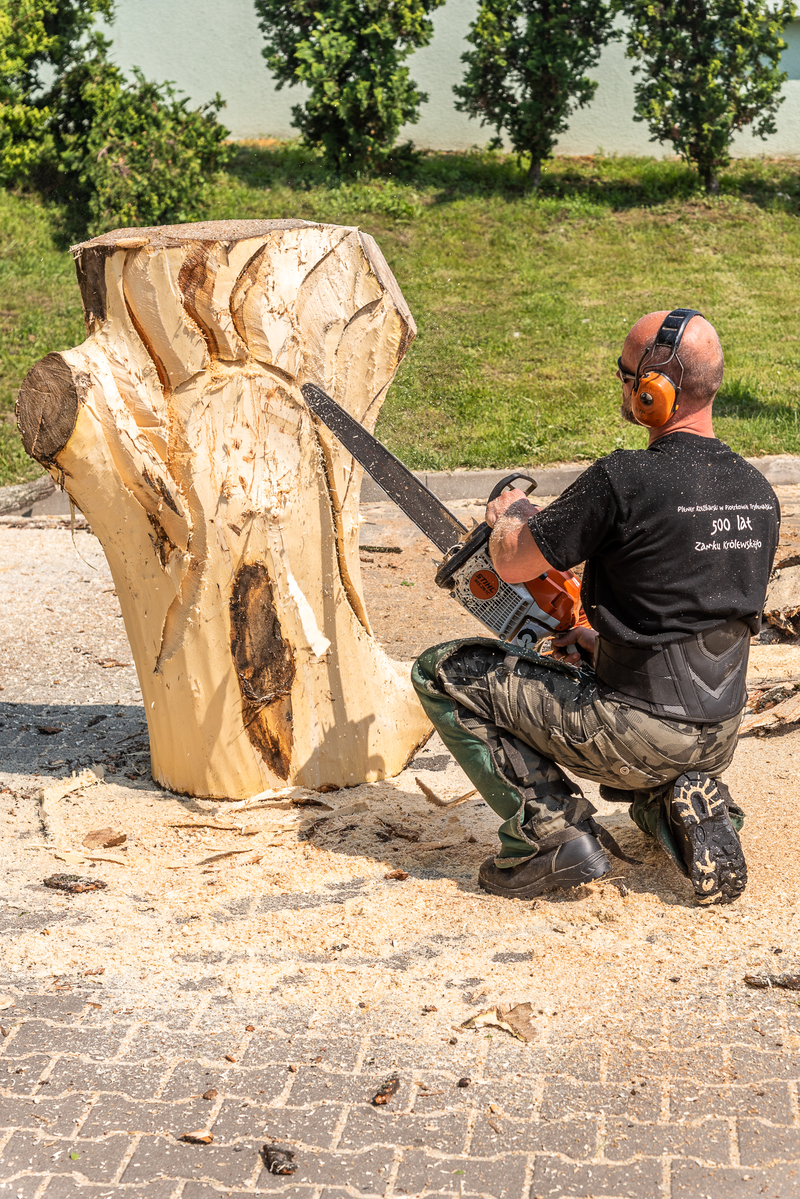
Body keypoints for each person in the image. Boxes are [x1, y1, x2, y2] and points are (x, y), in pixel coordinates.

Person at [412, 309, 780, 906]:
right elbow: (690, 613)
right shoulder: (758, 493)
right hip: (717, 734)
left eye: (626, 375)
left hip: (635, 730)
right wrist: (600, 642)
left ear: (653, 388)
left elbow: (509, 563)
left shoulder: (624, 477)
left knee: (444, 671)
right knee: (657, 749)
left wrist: (512, 514)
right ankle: (684, 809)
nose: (625, 388)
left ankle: (551, 837)